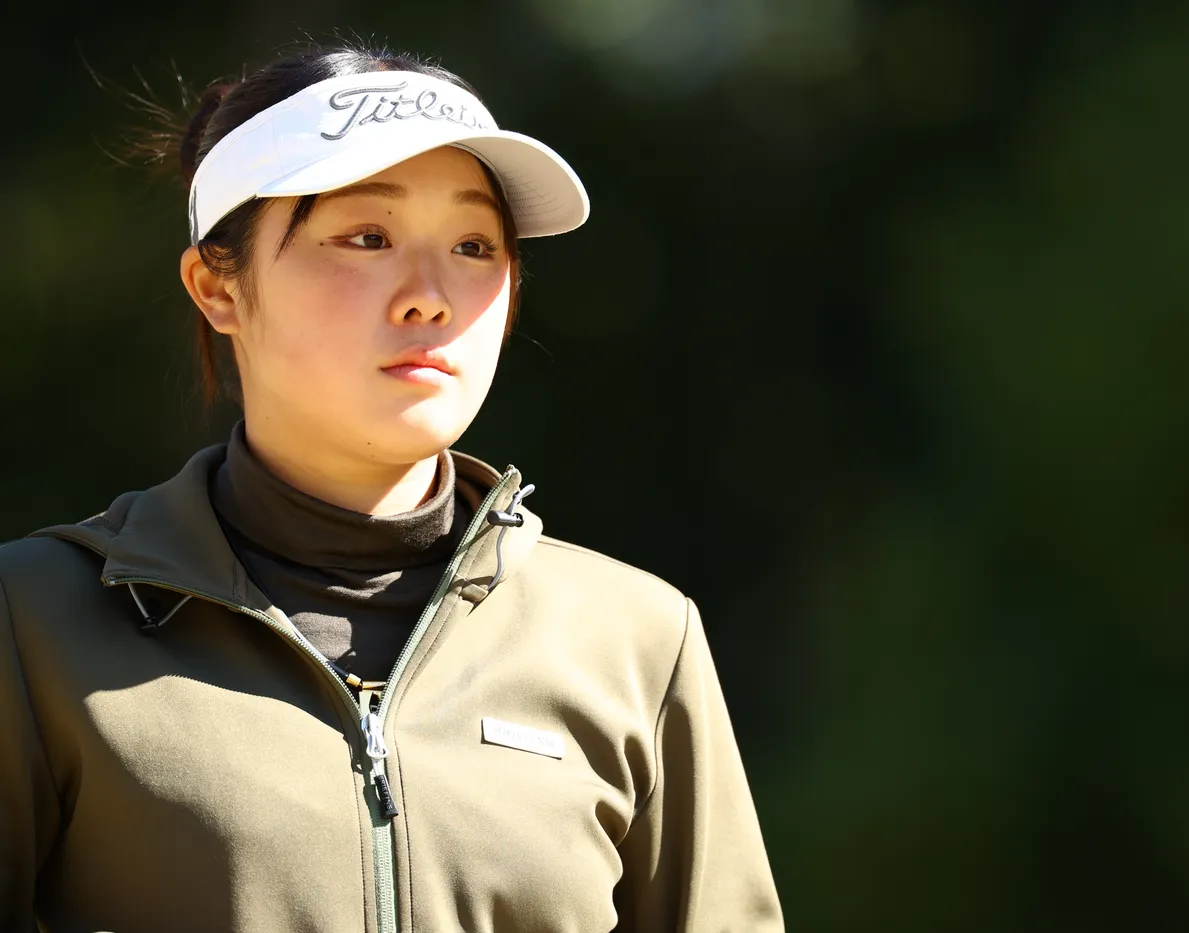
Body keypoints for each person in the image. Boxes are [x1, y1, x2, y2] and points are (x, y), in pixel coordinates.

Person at [0, 44, 783, 933]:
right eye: (367, 237)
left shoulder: (638, 640)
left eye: (474, 245)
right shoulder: (32, 624)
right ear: (218, 287)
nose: (430, 298)